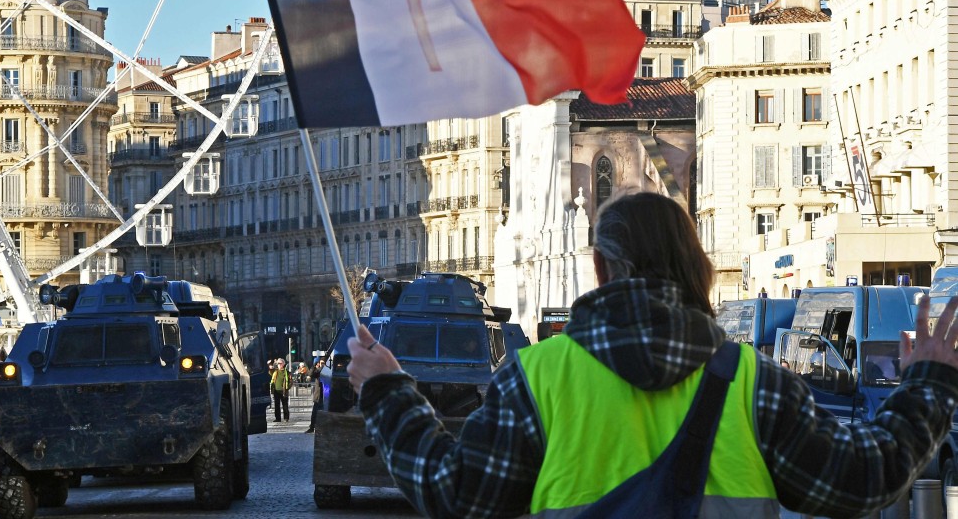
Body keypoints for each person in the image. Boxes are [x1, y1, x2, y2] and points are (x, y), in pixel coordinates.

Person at [347, 191, 958, 518]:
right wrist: (928, 383)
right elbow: (863, 480)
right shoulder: (753, 383)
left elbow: (456, 495)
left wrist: (386, 389)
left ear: (601, 268)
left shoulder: (537, 379)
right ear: (695, 268)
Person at [305, 359, 325, 434]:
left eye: (323, 363)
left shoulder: (326, 371)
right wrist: (314, 366)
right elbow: (311, 374)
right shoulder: (317, 371)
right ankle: (312, 427)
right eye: (321, 363)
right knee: (314, 413)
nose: (322, 365)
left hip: (325, 396)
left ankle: (321, 428)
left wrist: (322, 366)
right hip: (318, 396)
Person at [270, 358, 291, 423]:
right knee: (277, 405)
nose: (278, 365)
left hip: (283, 391)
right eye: (278, 363)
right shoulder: (275, 371)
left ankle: (286, 418)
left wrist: (287, 388)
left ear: (283, 364)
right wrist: (270, 366)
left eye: (280, 363)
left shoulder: (286, 372)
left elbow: (290, 382)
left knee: (285, 405)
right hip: (276, 391)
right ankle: (278, 418)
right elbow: (270, 373)